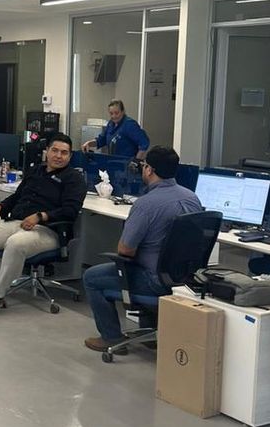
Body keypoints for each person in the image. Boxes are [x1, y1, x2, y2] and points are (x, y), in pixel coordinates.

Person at [0, 133, 86, 317]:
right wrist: (0, 207)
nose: (58, 156)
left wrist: (40, 216)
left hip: (49, 231)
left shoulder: (74, 178)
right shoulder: (36, 171)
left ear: (70, 156)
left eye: (64, 153)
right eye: (55, 150)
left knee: (15, 243)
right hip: (17, 223)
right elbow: (17, 196)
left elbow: (71, 210)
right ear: (47, 151)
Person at [81, 146, 201, 353]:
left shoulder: (145, 205)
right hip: (185, 279)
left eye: (144, 165)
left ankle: (111, 338)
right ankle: (150, 332)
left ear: (149, 170)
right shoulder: (192, 198)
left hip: (153, 281)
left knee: (91, 278)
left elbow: (125, 249)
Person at [82, 99, 149, 160]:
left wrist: (136, 162)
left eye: (116, 113)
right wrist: (88, 143)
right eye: (111, 113)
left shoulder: (129, 124)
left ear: (122, 112)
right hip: (113, 162)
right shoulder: (110, 124)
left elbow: (144, 143)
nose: (113, 116)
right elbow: (101, 140)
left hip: (127, 164)